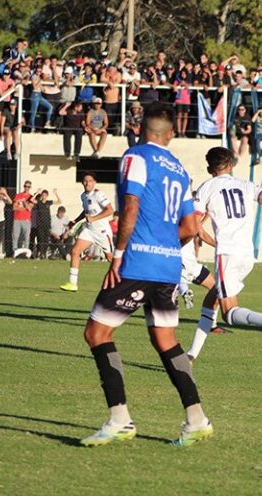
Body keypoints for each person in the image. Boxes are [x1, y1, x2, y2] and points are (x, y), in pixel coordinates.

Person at [79, 102, 212, 447]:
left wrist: (119, 254)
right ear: (171, 133)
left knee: (97, 333)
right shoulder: (180, 170)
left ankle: (119, 419)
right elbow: (190, 226)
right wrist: (167, 245)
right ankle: (196, 418)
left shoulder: (135, 157)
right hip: (169, 266)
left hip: (138, 261)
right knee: (166, 340)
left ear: (141, 129)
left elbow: (132, 205)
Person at [186, 147, 262, 361]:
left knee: (229, 314)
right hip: (247, 255)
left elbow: (194, 226)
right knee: (210, 300)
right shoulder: (246, 185)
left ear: (209, 168)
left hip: (227, 255)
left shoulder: (206, 188)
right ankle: (191, 355)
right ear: (230, 165)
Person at [60, 172, 114, 292]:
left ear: (94, 182)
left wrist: (94, 218)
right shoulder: (83, 196)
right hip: (89, 230)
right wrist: (74, 221)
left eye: (90, 181)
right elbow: (85, 211)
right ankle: (72, 283)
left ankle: (127, 282)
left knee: (111, 258)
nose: (87, 183)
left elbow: (110, 210)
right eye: (85, 181)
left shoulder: (99, 194)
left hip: (102, 231)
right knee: (75, 251)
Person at [12, 181, 35, 256]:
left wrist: (24, 201)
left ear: (30, 188)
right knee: (16, 236)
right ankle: (15, 251)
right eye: (25, 186)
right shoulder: (18, 195)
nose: (26, 188)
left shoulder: (31, 197)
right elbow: (14, 208)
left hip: (26, 219)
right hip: (17, 219)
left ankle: (26, 253)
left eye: (28, 187)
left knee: (26, 237)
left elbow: (29, 208)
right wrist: (23, 208)